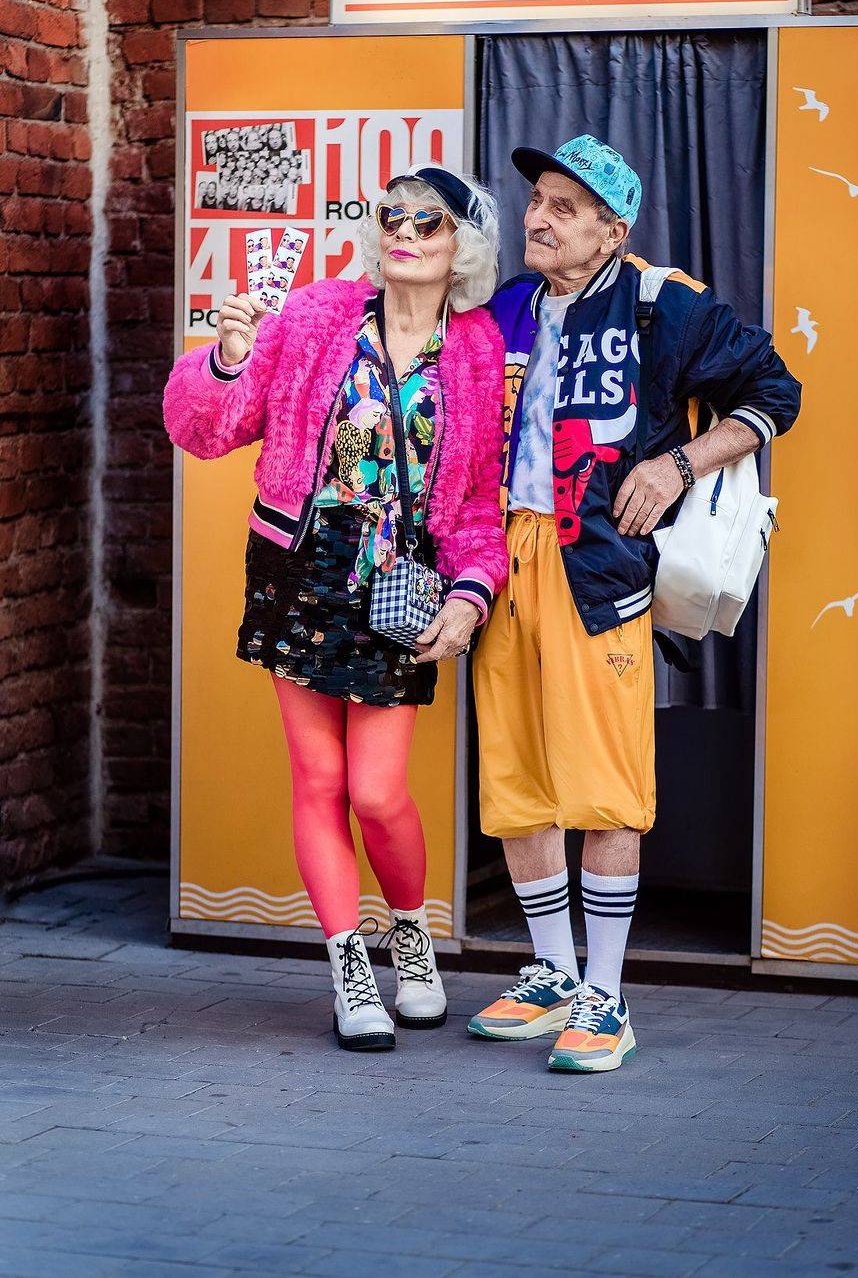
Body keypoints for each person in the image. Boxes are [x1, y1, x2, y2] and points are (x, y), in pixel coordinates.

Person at [470, 135, 801, 1073]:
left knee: (606, 784)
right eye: (537, 199)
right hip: (504, 560)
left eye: (564, 207)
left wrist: (678, 463)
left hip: (598, 566)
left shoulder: (664, 303)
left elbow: (775, 391)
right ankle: (551, 974)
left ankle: (607, 997)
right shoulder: (506, 307)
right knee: (518, 781)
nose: (539, 218)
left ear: (612, 230)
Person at [164, 167, 507, 1053]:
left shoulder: (477, 349)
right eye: (392, 216)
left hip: (399, 583)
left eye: (428, 222)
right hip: (302, 569)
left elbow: (477, 499)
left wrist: (472, 593)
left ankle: (410, 936)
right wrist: (227, 358)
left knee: (378, 792)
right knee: (317, 780)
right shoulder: (320, 314)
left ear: (463, 247)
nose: (405, 233)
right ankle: (349, 965)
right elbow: (206, 430)